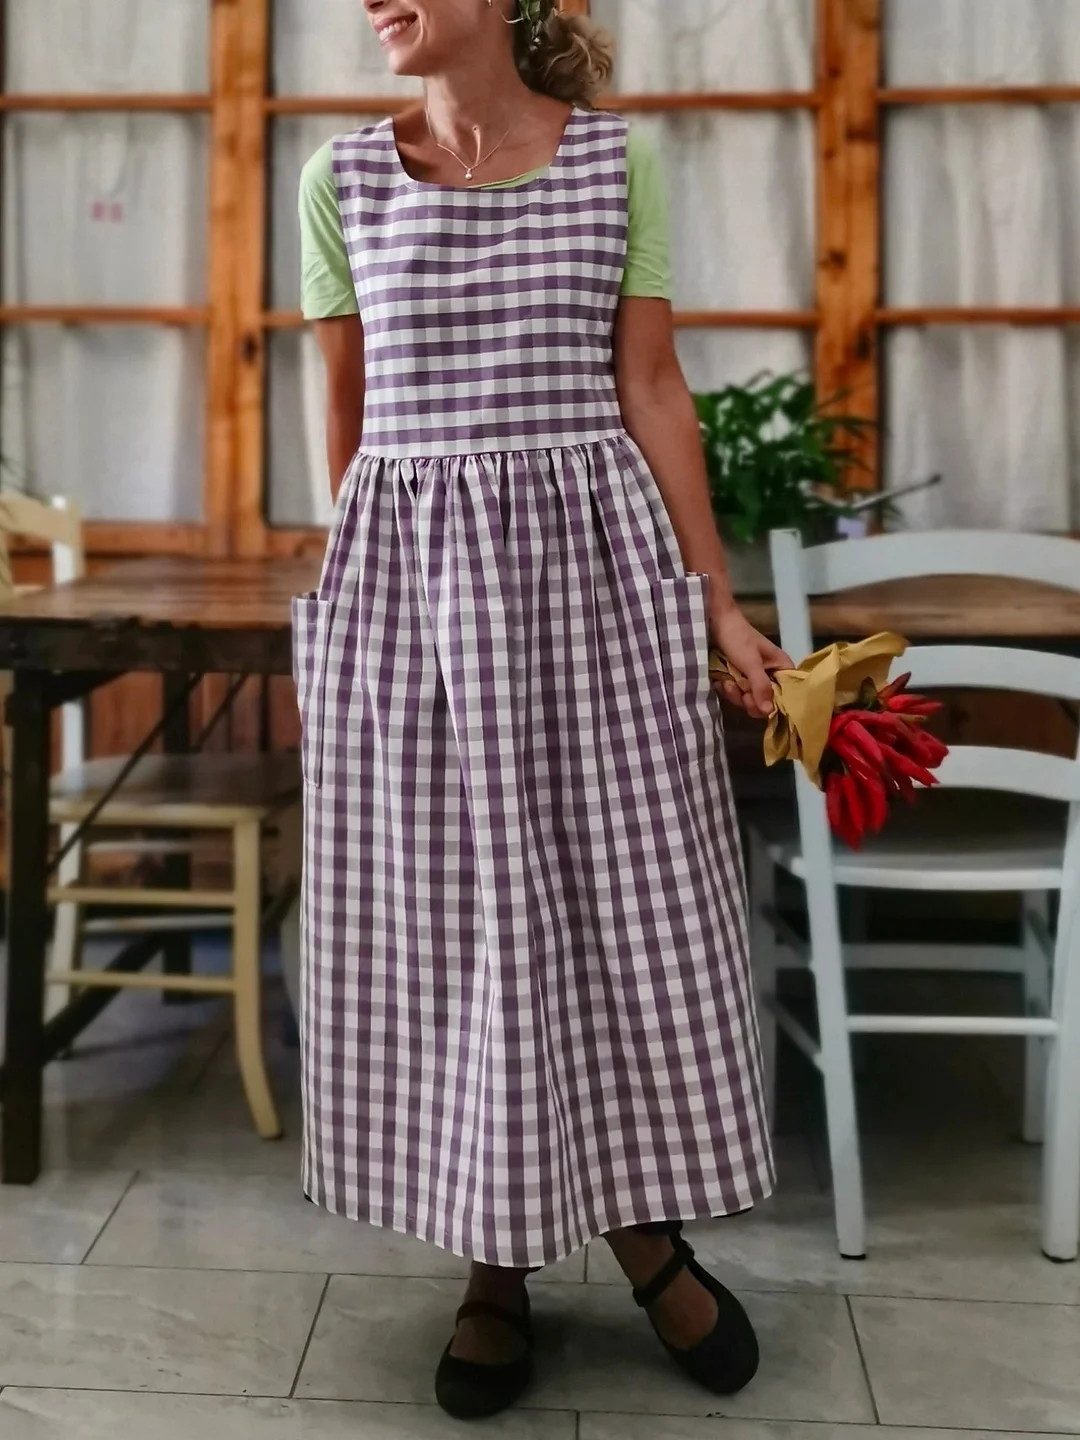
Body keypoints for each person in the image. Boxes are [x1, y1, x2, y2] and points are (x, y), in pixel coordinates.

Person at [295, 0, 791, 1420]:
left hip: (597, 586)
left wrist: (717, 604)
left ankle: (640, 1233)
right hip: (417, 604)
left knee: (616, 913)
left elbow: (654, 388)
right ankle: (497, 1267)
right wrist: (359, 606)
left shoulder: (618, 161)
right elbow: (351, 420)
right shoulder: (339, 179)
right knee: (460, 930)